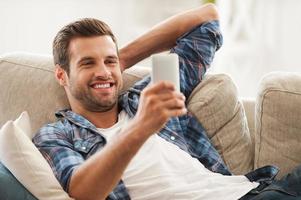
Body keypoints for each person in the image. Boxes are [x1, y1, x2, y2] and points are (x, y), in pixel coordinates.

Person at [33, 3, 301, 200]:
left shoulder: (147, 96)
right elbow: (84, 191)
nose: (103, 71)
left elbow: (208, 19)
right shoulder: (55, 135)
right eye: (88, 63)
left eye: (109, 61)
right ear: (61, 74)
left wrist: (120, 60)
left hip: (254, 191)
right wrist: (142, 127)